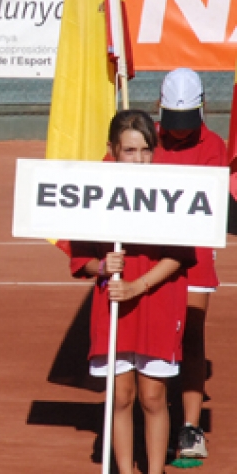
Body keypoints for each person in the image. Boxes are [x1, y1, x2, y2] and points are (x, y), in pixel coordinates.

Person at [70, 110, 194, 474]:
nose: (139, 159)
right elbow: (82, 259)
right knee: (120, 396)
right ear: (112, 149)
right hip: (113, 308)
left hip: (157, 303)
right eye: (129, 150)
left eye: (145, 150)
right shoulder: (93, 191)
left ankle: (154, 470)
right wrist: (103, 267)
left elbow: (181, 254)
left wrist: (139, 285)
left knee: (153, 397)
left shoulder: (172, 190)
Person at [152, 68, 225, 460]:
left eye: (187, 123)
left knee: (191, 336)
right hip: (150, 255)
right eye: (172, 122)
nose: (179, 132)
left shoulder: (213, 145)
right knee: (156, 338)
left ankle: (190, 428)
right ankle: (154, 419)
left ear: (203, 109)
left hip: (194, 256)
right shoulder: (143, 141)